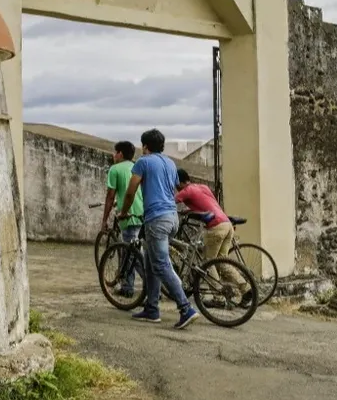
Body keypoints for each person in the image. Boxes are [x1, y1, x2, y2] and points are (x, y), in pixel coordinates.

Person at [118, 128, 200, 330]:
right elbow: (173, 188)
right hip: (172, 218)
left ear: (145, 146)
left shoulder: (143, 162)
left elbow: (130, 191)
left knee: (161, 264)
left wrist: (123, 212)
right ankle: (151, 308)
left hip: (157, 220)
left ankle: (186, 308)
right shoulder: (170, 163)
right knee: (150, 263)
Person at [175, 169, 252, 306]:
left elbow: (169, 202)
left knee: (207, 262)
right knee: (222, 262)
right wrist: (188, 211)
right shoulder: (202, 187)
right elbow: (209, 205)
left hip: (215, 227)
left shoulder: (186, 191)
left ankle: (219, 298)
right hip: (226, 224)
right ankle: (246, 289)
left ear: (179, 182)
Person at [101, 140, 144, 297]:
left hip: (128, 215)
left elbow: (110, 195)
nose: (114, 155)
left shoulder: (115, 169)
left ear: (120, 153)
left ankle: (131, 287)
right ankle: (139, 286)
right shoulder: (136, 167)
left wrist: (104, 219)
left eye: (116, 152)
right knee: (135, 252)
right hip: (141, 213)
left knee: (131, 254)